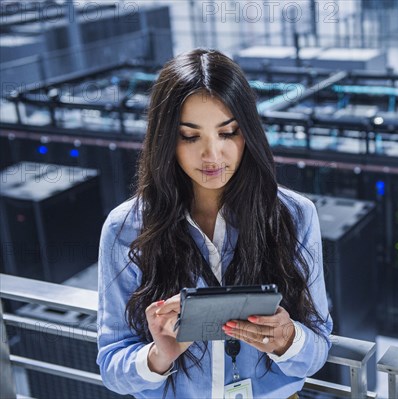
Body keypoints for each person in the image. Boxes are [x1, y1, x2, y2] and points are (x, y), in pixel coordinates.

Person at [96, 49, 333, 399]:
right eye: (190, 136)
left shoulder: (294, 214)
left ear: (248, 134)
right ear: (166, 140)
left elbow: (318, 347)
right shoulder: (126, 228)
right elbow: (112, 367)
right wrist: (158, 355)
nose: (212, 155)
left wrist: (287, 339)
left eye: (228, 133)